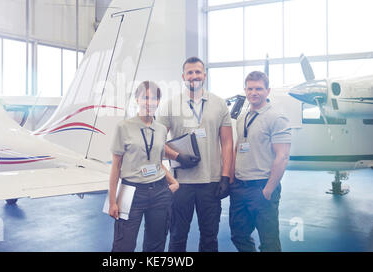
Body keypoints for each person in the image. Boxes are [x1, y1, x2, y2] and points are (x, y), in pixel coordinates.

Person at [157, 57, 233, 252]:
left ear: (204, 76)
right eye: (190, 72)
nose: (194, 76)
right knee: (177, 236)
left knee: (209, 237)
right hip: (180, 183)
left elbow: (227, 142)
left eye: (198, 72)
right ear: (183, 76)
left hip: (211, 182)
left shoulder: (219, 104)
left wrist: (226, 176)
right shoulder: (170, 105)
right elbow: (155, 142)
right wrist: (177, 156)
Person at [108, 80, 179, 252]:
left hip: (159, 191)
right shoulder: (123, 127)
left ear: (158, 102)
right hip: (131, 192)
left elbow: (157, 163)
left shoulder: (161, 129)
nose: (150, 102)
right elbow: (116, 166)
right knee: (123, 245)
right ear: (137, 100)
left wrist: (173, 182)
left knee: (156, 244)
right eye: (145, 97)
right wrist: (112, 201)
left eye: (154, 98)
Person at [229, 71, 291, 252]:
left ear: (268, 90)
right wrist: (232, 180)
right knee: (238, 236)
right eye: (250, 89)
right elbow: (237, 148)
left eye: (258, 88)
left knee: (269, 242)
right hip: (240, 188)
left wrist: (269, 189)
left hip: (262, 187)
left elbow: (282, 156)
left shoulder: (277, 117)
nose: (253, 92)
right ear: (245, 90)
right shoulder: (243, 118)